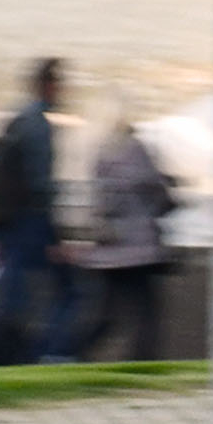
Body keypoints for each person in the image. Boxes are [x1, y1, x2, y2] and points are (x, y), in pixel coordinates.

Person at [0, 57, 80, 362]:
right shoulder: (39, 127)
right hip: (30, 221)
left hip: (6, 222)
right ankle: (45, 352)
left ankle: (11, 354)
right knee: (69, 288)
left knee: (14, 291)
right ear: (50, 85)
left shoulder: (16, 118)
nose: (64, 90)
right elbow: (41, 185)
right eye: (61, 84)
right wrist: (56, 237)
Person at [67, 112, 177, 362]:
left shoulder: (101, 155)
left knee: (107, 314)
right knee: (148, 313)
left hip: (107, 251)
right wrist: (170, 200)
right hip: (138, 252)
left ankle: (71, 352)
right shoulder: (136, 150)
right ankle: (144, 361)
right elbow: (156, 190)